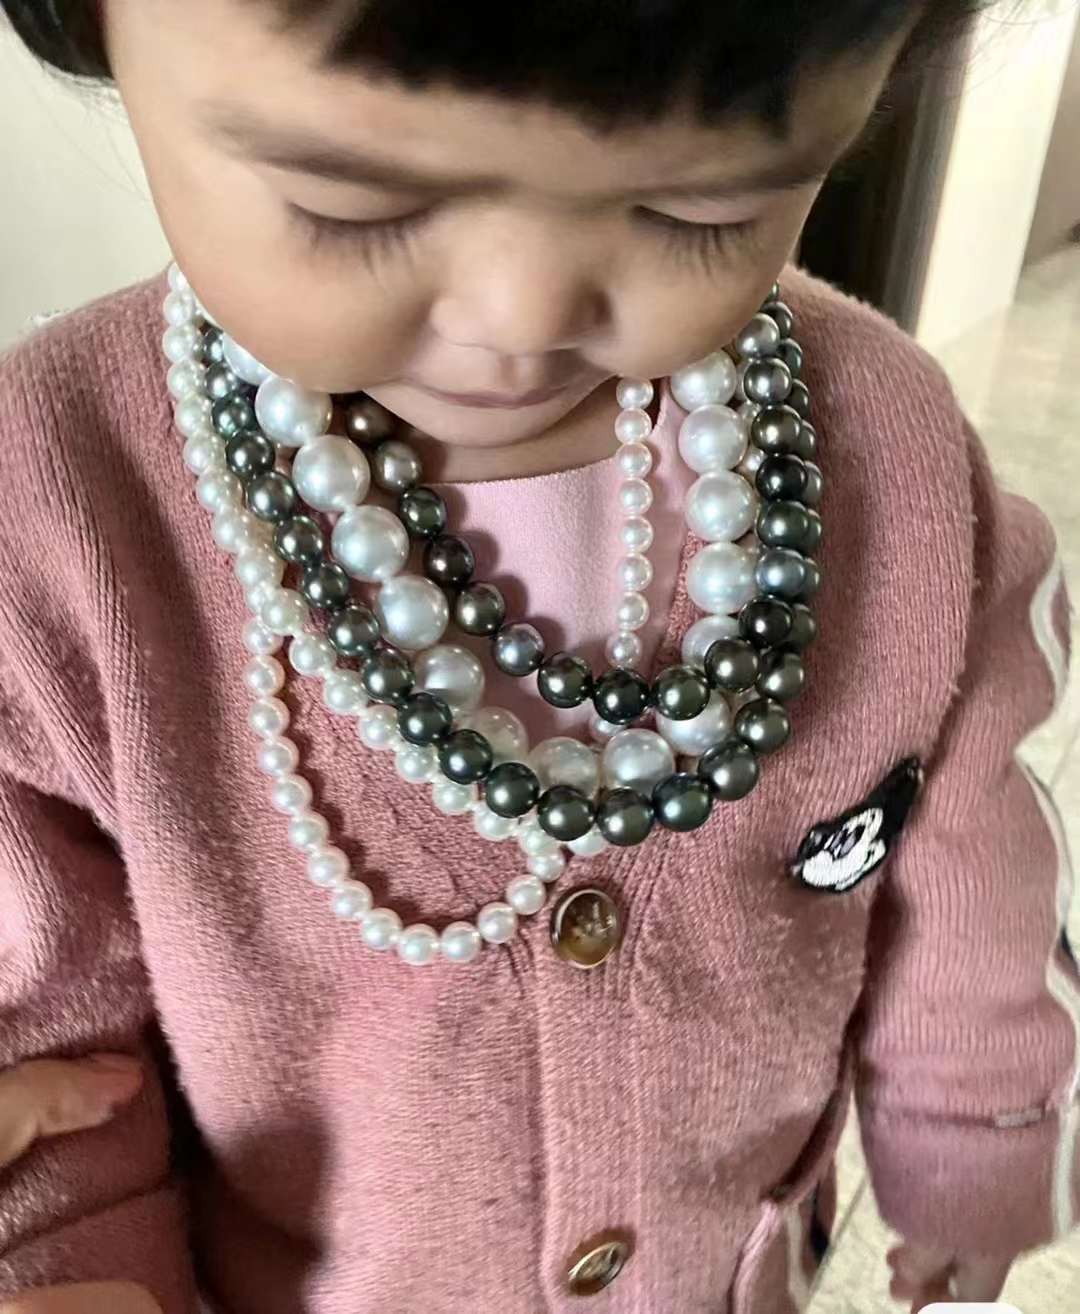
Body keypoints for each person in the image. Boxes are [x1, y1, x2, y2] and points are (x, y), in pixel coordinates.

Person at [0, 1, 1075, 1311]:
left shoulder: (890, 450)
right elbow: (39, 1008)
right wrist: (68, 1252)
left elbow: (974, 857)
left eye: (699, 210)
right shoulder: (56, 510)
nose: (522, 317)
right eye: (347, 204)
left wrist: (975, 1135)